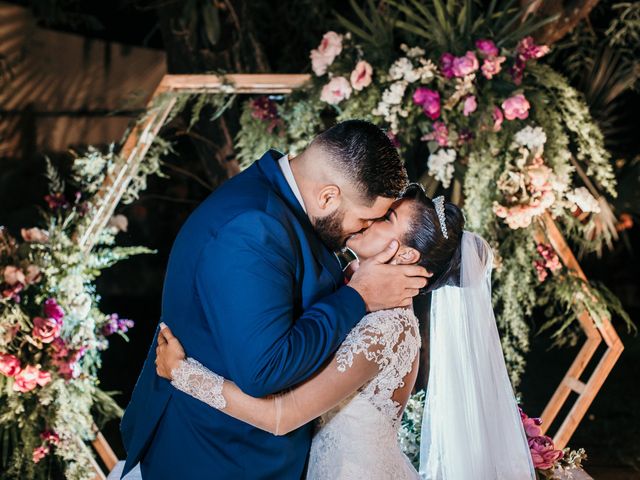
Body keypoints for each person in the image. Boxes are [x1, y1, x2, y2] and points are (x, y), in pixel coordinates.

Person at [118, 120, 430, 480]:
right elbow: (264, 371)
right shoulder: (253, 227)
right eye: (363, 220)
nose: (360, 232)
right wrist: (357, 297)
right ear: (328, 196)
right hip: (221, 458)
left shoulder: (282, 206)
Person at [155, 185, 537, 479]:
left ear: (404, 255)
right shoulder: (357, 299)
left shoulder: (386, 329)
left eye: (387, 219)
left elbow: (282, 417)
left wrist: (183, 373)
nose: (370, 218)